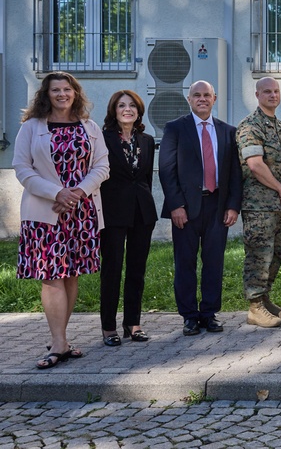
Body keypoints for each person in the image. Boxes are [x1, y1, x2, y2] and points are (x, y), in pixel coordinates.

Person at [13, 72, 109, 369]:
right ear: (47, 94)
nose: (62, 94)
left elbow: (102, 165)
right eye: (56, 90)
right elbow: (22, 168)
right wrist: (59, 192)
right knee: (51, 276)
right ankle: (58, 344)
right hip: (46, 213)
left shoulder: (90, 127)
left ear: (75, 93)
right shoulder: (31, 128)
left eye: (67, 89)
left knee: (71, 275)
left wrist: (79, 191)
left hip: (82, 211)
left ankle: (61, 340)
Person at [159, 81, 242, 336]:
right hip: (186, 207)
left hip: (217, 206)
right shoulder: (175, 129)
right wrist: (176, 206)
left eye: (207, 95)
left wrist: (233, 206)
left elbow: (235, 174)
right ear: (189, 99)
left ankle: (209, 313)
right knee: (185, 262)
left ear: (214, 99)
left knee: (214, 261)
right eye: (197, 95)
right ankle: (189, 316)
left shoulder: (228, 131)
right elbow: (167, 170)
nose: (202, 99)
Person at [98, 90, 157, 346]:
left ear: (138, 110)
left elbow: (145, 179)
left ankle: (133, 323)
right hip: (112, 211)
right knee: (112, 269)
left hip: (142, 211)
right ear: (114, 110)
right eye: (122, 105)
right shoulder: (102, 139)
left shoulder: (147, 140)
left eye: (132, 105)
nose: (127, 109)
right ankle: (108, 327)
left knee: (137, 269)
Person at [237, 77, 281, 328]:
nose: (273, 95)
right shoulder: (251, 126)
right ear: (257, 95)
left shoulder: (280, 127)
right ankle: (254, 306)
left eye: (276, 91)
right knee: (259, 255)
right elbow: (255, 165)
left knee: (276, 254)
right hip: (258, 205)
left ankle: (266, 299)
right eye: (267, 92)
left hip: (279, 203)